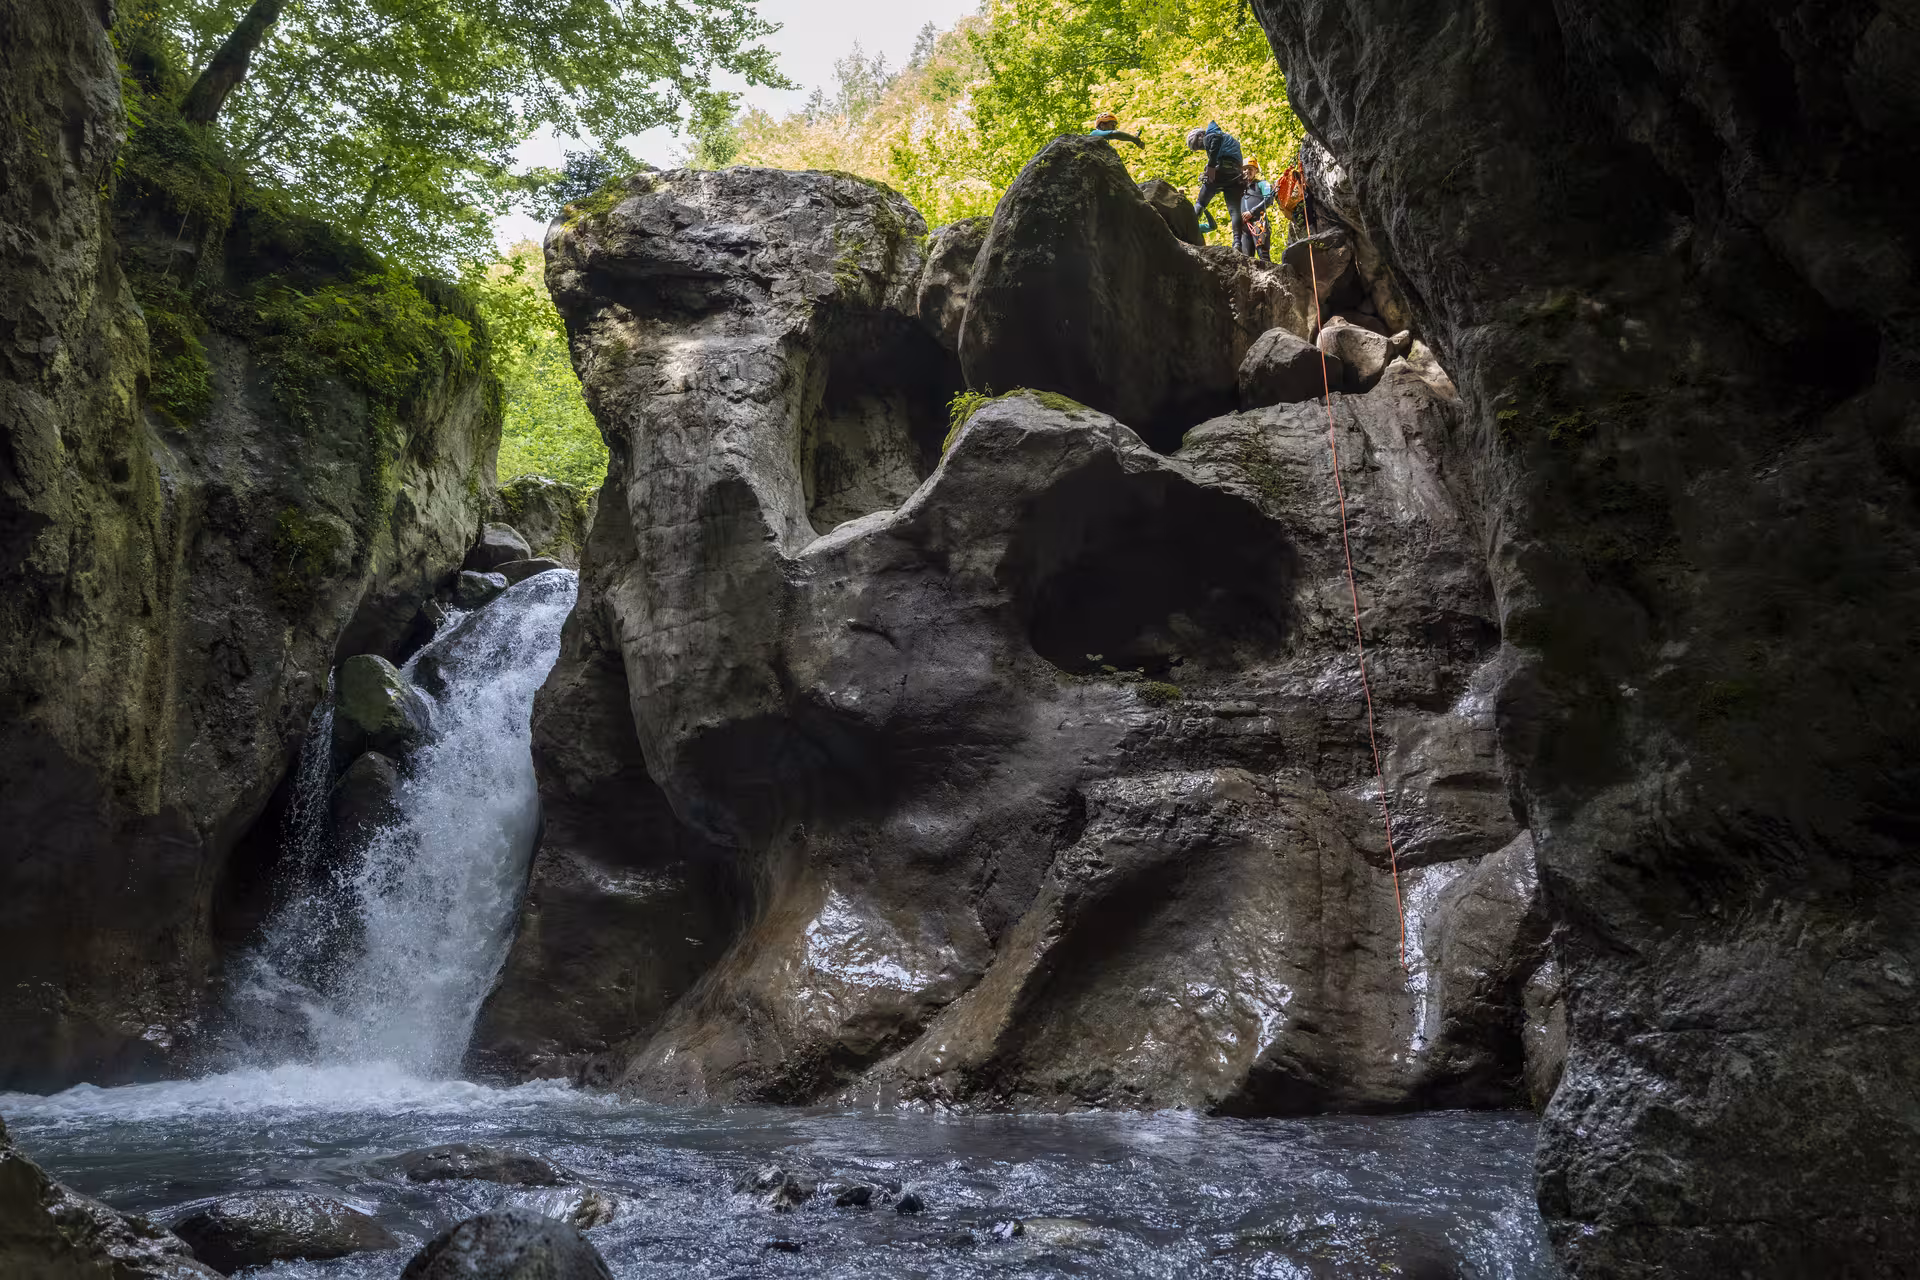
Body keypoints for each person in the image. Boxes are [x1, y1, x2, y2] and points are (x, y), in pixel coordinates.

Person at [1187, 121, 1249, 254]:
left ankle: (1188, 227)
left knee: (1201, 201)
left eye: (1197, 145)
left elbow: (1216, 143)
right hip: (1235, 174)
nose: (1200, 148)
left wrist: (1210, 169)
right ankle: (1237, 243)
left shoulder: (1212, 135)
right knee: (1234, 211)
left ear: (1200, 135)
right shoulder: (1229, 140)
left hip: (1223, 170)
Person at [1239, 158, 1277, 261]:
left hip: (1259, 223)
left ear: (1256, 171)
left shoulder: (1262, 184)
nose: (1247, 171)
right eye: (1245, 169)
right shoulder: (1239, 189)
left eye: (1250, 168)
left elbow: (1268, 199)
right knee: (1245, 259)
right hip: (1244, 227)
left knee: (1263, 255)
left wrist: (1252, 212)